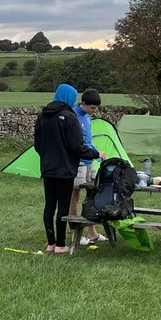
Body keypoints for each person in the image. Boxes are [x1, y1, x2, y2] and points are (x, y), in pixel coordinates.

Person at [34, 84, 99, 253]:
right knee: (63, 207)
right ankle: (61, 245)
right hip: (65, 170)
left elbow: (37, 145)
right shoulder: (70, 117)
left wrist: (47, 157)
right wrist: (95, 154)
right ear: (69, 98)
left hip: (47, 168)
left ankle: (51, 243)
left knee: (49, 205)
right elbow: (76, 146)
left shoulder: (42, 116)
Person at [69, 88, 108, 247]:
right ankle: (75, 234)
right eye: (92, 108)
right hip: (78, 163)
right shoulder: (73, 116)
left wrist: (97, 153)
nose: (95, 111)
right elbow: (77, 144)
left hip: (89, 161)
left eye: (96, 108)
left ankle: (92, 233)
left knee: (92, 194)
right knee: (74, 196)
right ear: (83, 103)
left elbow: (88, 140)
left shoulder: (87, 116)